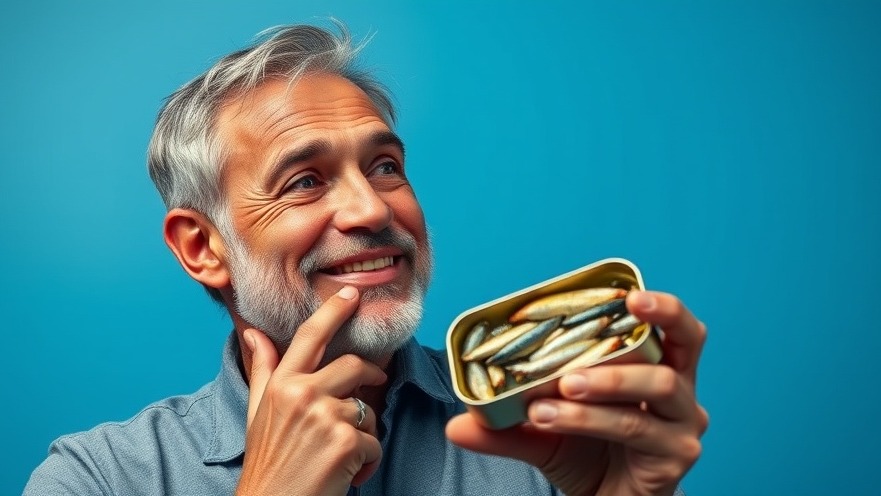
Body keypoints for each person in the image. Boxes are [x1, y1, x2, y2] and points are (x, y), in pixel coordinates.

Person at [25, 23, 708, 496]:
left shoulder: (547, 434)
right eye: (304, 181)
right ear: (204, 248)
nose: (373, 210)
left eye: (385, 167)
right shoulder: (98, 476)